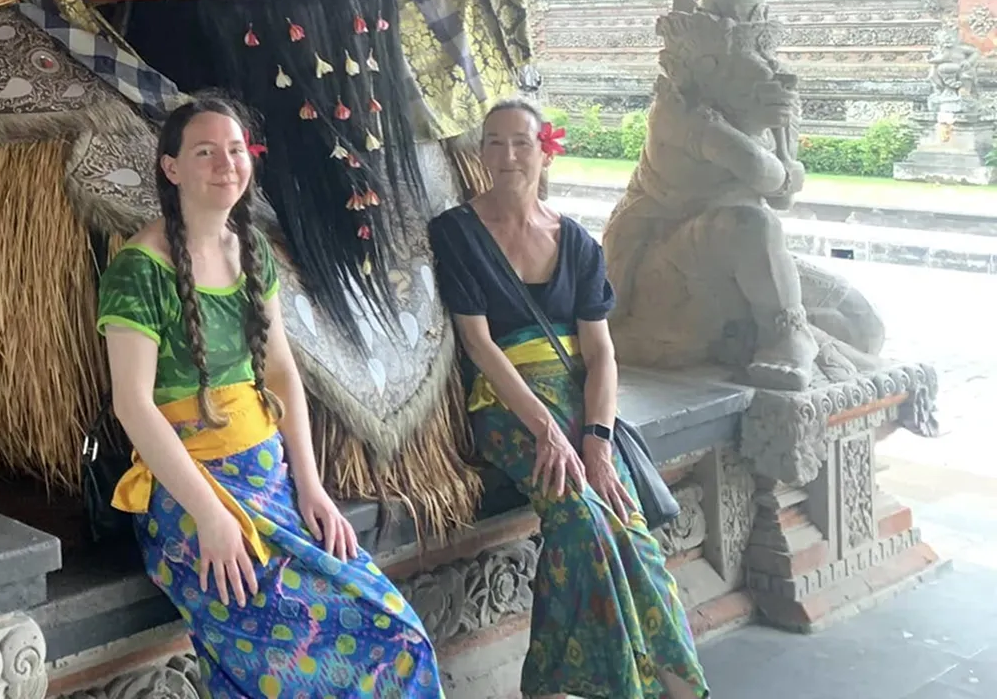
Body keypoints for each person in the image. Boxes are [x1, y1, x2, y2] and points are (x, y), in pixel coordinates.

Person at [97, 94, 443, 699]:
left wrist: (310, 486)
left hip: (270, 481)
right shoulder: (139, 269)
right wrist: (210, 516)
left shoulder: (252, 248)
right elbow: (134, 405)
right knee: (299, 662)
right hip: (192, 496)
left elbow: (280, 372)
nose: (225, 164)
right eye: (205, 152)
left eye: (235, 150)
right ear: (171, 167)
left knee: (397, 631)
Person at [429, 98, 707, 699]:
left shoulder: (575, 241)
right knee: (580, 519)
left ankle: (678, 687)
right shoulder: (456, 233)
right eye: (494, 142)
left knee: (630, 529)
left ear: (544, 151)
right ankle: (610, 688)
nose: (507, 155)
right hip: (506, 402)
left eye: (520, 142)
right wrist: (545, 430)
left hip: (579, 401)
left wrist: (596, 441)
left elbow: (601, 354)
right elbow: (478, 344)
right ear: (481, 153)